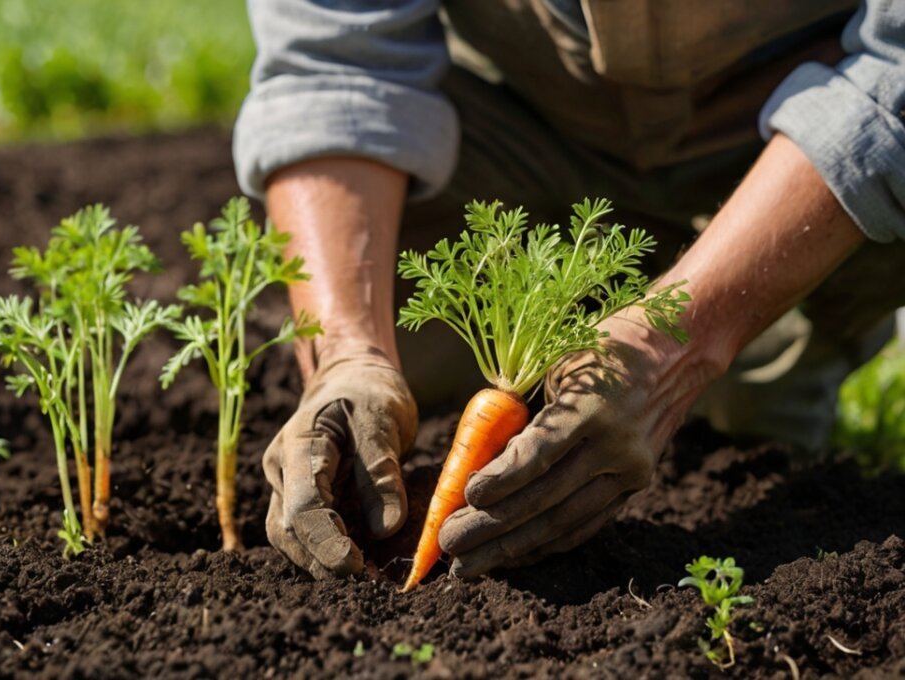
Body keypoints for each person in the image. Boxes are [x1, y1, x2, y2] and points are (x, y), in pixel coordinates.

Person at [232, 1, 905, 580]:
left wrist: (674, 344)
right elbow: (334, 63)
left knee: (744, 434)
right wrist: (348, 349)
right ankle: (585, 355)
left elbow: (893, 72)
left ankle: (725, 328)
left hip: (782, 149)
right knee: (379, 358)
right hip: (527, 131)